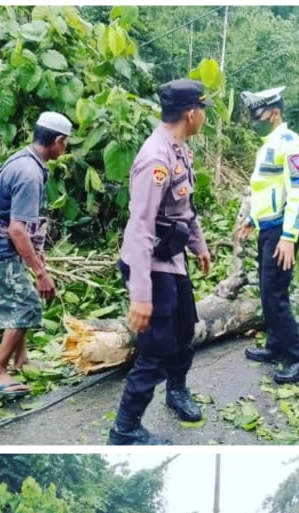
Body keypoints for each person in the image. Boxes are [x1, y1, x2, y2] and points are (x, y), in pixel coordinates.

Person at [111, 80, 215, 445]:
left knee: (185, 331)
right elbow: (140, 227)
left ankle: (177, 390)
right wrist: (140, 295)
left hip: (172, 259)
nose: (204, 118)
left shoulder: (180, 151)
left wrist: (198, 245)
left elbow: (184, 208)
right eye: (204, 111)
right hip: (150, 267)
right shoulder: (156, 159)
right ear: (191, 114)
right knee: (155, 351)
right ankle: (125, 429)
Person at [0, 111, 73, 397]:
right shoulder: (30, 174)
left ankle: (20, 360)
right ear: (58, 141)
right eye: (66, 143)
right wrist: (40, 272)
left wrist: (36, 257)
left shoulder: (25, 158)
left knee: (22, 299)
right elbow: (18, 230)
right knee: (26, 307)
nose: (66, 148)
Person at [233, 86, 299, 385]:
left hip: (283, 230)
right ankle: (276, 345)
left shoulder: (293, 146)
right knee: (267, 291)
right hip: (268, 228)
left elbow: (297, 193)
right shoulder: (267, 145)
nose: (255, 121)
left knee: (275, 295)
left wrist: (289, 236)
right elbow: (268, 191)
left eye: (259, 115)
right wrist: (252, 220)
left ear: (275, 113)